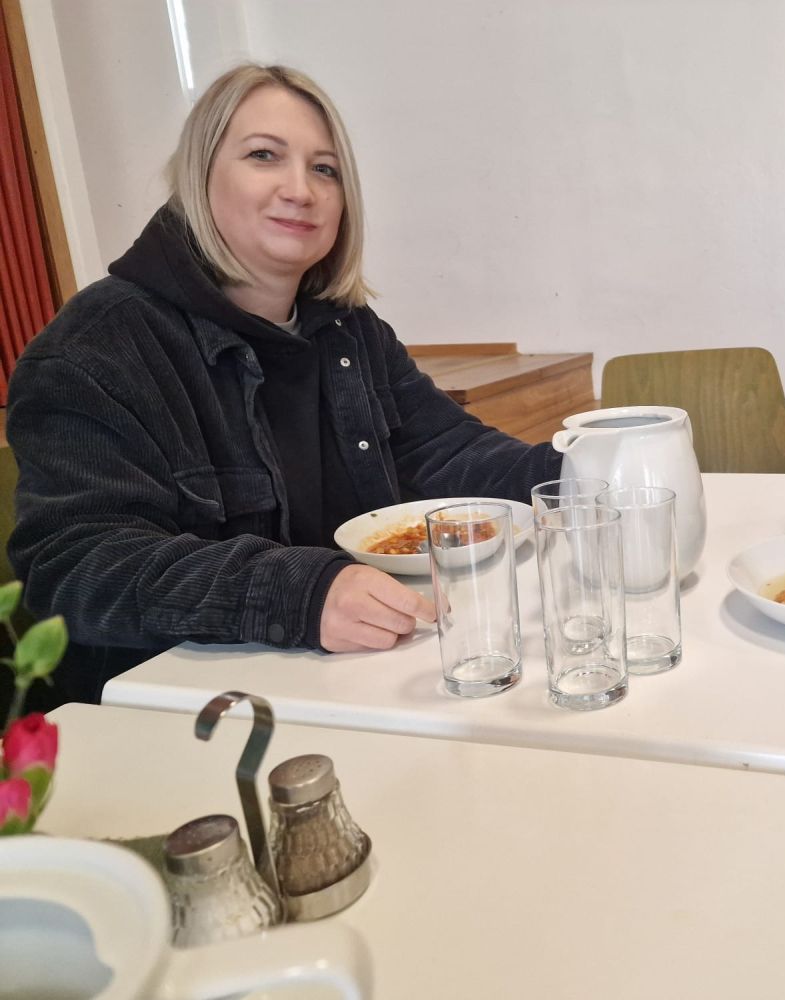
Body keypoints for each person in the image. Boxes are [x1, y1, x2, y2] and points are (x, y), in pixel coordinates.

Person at [6, 64, 563, 705]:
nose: (300, 190)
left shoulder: (348, 329)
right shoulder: (95, 348)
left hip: (353, 685)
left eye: (325, 169)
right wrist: (299, 593)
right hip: (180, 714)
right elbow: (75, 564)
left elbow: (449, 452)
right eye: (264, 156)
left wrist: (579, 475)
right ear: (199, 175)